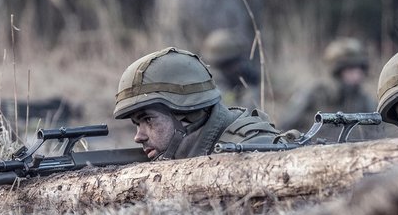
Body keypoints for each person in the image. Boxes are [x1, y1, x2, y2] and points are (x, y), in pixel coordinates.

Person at [114, 47, 283, 160]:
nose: (138, 137)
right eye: (137, 124)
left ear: (189, 115)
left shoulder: (249, 150)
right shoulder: (182, 150)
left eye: (148, 120)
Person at [278, 37, 379, 141]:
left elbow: (378, 133)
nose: (357, 75)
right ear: (337, 71)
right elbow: (285, 127)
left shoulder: (365, 101)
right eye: (351, 69)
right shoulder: (315, 94)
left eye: (360, 69)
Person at [202, 29, 261, 109]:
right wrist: (251, 91)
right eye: (237, 62)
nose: (240, 67)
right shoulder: (216, 88)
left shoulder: (207, 78)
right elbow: (243, 116)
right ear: (227, 64)